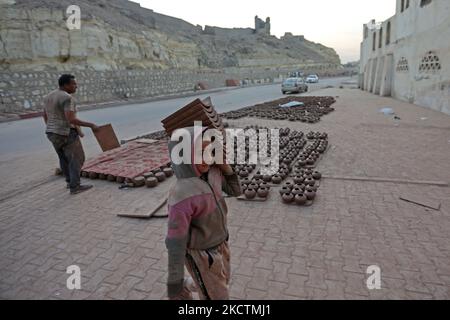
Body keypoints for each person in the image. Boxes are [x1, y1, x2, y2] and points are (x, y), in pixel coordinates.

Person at [166, 127, 241, 300]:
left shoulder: (213, 173)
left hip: (222, 242)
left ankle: (189, 284)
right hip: (200, 253)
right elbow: (175, 238)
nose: (207, 156)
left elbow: (236, 191)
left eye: (210, 150)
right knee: (216, 295)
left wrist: (226, 167)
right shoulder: (181, 193)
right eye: (200, 152)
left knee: (219, 282)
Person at [43, 74, 99, 195]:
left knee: (63, 158)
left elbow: (45, 115)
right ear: (66, 85)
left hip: (52, 133)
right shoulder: (67, 98)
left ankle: (69, 182)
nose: (76, 86)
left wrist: (52, 127)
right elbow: (71, 119)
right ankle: (75, 186)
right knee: (77, 158)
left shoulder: (48, 97)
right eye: (74, 84)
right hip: (66, 133)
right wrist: (91, 125)